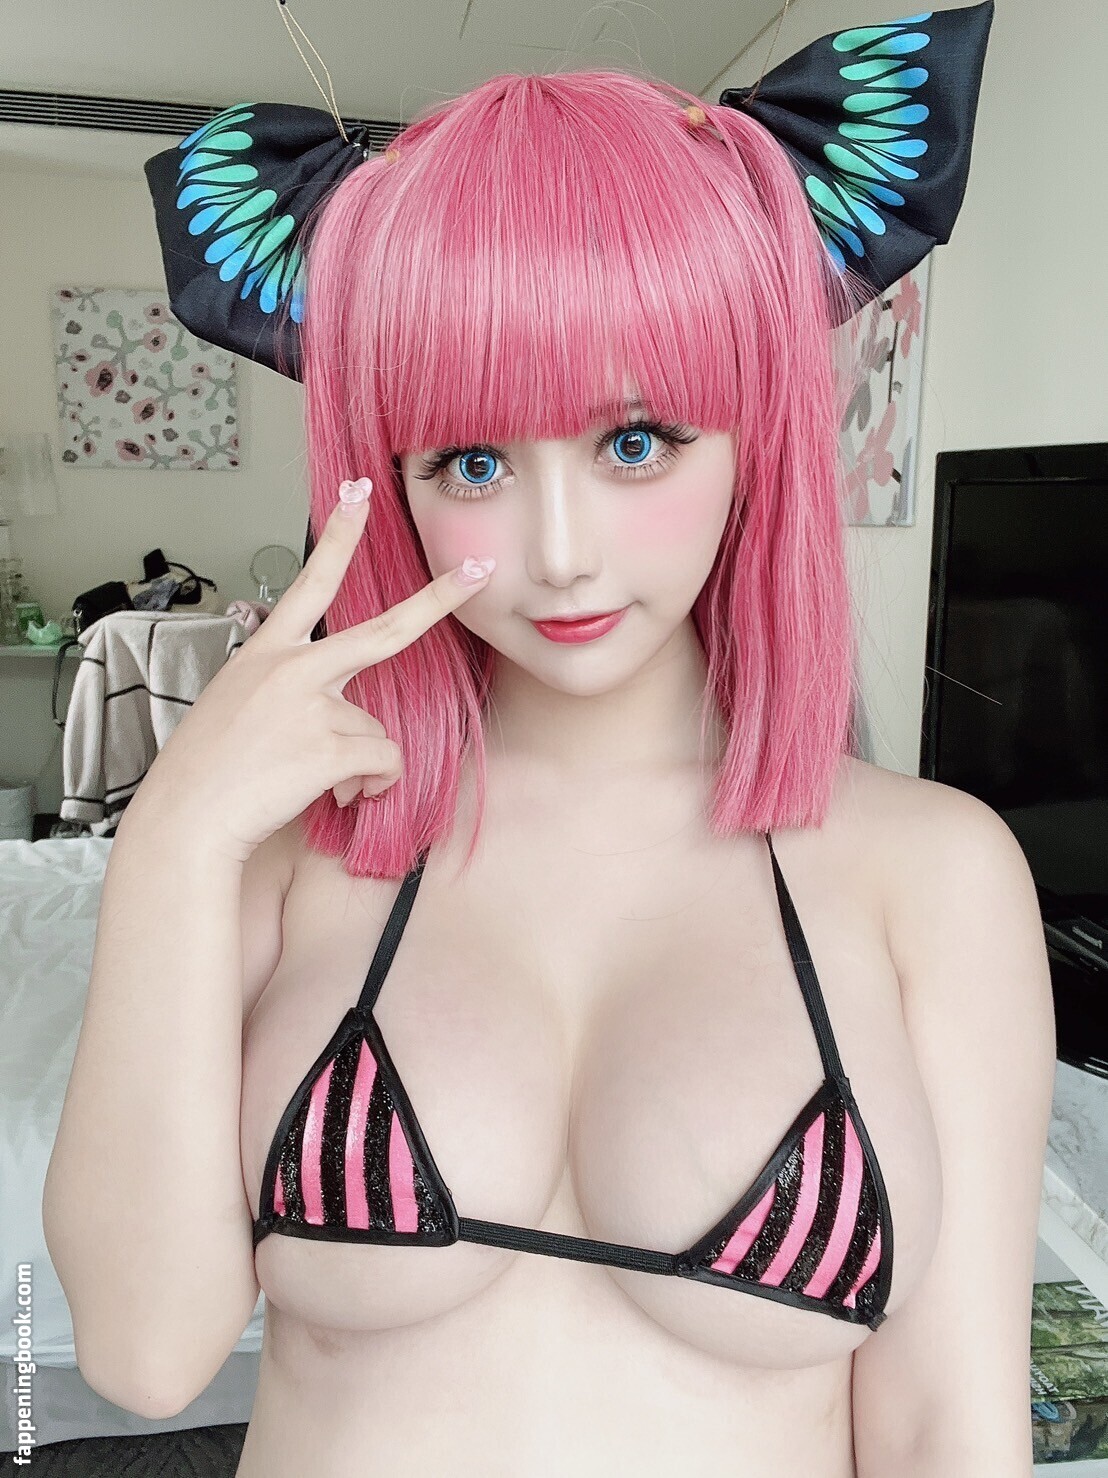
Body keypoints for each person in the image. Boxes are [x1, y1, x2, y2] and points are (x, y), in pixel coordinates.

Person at [44, 5, 1057, 1472]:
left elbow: (947, 1425)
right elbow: (143, 1356)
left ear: (755, 434)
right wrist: (172, 838)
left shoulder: (934, 874)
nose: (561, 551)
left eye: (636, 442)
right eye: (473, 460)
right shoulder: (293, 854)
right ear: (388, 476)